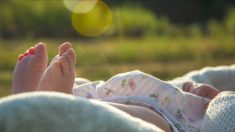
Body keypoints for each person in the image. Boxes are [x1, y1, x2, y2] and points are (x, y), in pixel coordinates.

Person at [12, 42, 220, 132]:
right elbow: (221, 99)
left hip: (174, 124)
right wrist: (193, 88)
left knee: (150, 121)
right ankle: (40, 97)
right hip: (173, 106)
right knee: (91, 91)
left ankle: (57, 103)